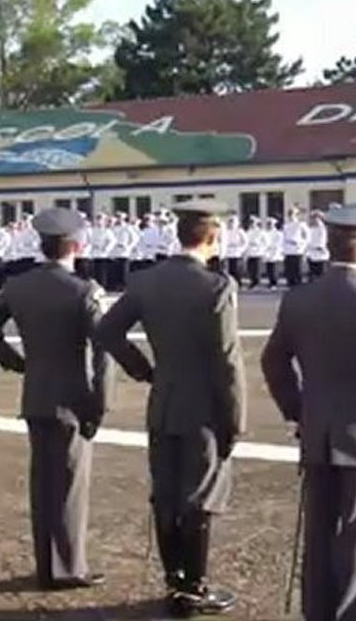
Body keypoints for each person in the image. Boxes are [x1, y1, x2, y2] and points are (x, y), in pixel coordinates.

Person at [94, 199, 245, 617]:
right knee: (198, 495)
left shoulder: (146, 281)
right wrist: (235, 418)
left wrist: (145, 371)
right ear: (212, 236)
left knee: (167, 491)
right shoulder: (216, 287)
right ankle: (193, 587)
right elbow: (227, 361)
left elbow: (107, 331)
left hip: (164, 400)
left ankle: (174, 580)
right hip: (204, 406)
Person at [261, 202, 356, 621]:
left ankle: (318, 613)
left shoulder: (299, 298)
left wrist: (297, 410)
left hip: (316, 430)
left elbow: (273, 361)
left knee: (319, 536)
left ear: (328, 248)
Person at [0, 207, 111, 591]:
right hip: (73, 396)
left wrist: (15, 362)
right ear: (77, 245)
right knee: (69, 486)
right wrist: (99, 403)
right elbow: (102, 353)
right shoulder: (84, 290)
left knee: (44, 485)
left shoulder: (19, 286)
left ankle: (49, 564)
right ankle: (66, 568)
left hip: (36, 391)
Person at [282, 207, 309, 287]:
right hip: (288, 250)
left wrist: (302, 245)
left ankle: (298, 284)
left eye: (292, 214)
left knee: (297, 269)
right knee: (289, 269)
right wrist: (283, 249)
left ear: (296, 215)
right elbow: (283, 238)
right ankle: (290, 283)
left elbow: (307, 236)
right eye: (289, 214)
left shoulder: (301, 225)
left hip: (297, 249)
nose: (290, 216)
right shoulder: (286, 226)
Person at [222, 215, 248, 287]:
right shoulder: (226, 231)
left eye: (233, 222)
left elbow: (245, 242)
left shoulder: (240, 231)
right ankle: (231, 284)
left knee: (237, 270)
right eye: (230, 222)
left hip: (237, 252)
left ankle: (238, 283)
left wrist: (241, 250)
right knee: (230, 270)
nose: (231, 224)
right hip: (228, 252)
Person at [245, 216, 267, 289]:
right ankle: (252, 281)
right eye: (251, 222)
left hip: (258, 252)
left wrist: (262, 249)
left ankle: (256, 282)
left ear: (256, 223)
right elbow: (246, 242)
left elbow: (265, 242)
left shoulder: (260, 232)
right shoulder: (248, 232)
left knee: (257, 269)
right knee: (250, 269)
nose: (252, 224)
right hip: (250, 252)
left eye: (253, 222)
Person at [306, 211, 329, 281]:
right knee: (312, 273)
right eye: (313, 218)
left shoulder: (322, 228)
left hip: (320, 254)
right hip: (311, 253)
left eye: (316, 217)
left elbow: (323, 240)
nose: (314, 219)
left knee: (321, 274)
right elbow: (308, 239)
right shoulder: (310, 228)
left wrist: (319, 247)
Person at [264, 217, 283, 289]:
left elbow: (279, 243)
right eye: (268, 224)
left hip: (275, 251)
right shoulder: (265, 232)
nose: (269, 225)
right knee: (269, 268)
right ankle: (270, 281)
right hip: (267, 252)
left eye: (270, 224)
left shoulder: (278, 233)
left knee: (274, 268)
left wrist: (274, 249)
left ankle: (274, 282)